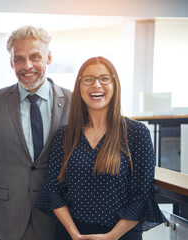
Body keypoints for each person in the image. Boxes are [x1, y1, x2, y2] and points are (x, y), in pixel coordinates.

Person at [35, 56, 166, 240]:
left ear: (114, 85)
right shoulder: (64, 135)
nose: (96, 85)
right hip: (71, 234)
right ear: (79, 86)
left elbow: (142, 196)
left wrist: (111, 236)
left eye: (104, 78)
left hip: (121, 235)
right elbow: (53, 190)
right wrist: (74, 234)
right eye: (88, 79)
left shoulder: (137, 133)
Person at [0, 25, 71, 240]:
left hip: (57, 224)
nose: (27, 66)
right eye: (19, 59)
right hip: (4, 223)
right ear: (11, 63)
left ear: (49, 58)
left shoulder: (73, 102)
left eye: (35, 57)